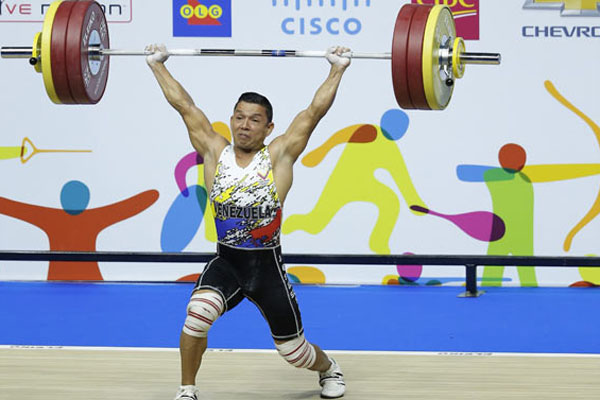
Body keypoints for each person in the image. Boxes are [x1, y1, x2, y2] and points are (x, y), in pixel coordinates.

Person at [146, 43, 351, 400]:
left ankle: (329, 367)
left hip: (266, 267)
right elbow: (184, 107)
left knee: (295, 353)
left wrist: (338, 69)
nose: (244, 125)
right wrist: (157, 65)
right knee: (197, 313)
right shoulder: (214, 151)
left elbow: (314, 112)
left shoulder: (279, 155)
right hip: (227, 261)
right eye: (239, 116)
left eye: (254, 119)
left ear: (268, 127)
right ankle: (187, 389)